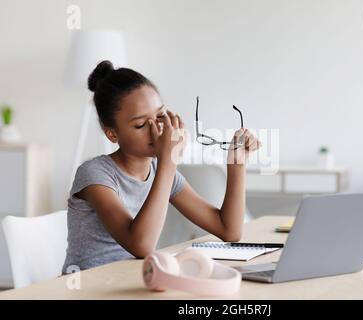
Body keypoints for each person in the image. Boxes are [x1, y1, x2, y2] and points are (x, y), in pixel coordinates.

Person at [62, 60, 260, 273]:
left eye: (159, 116)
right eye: (140, 125)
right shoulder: (95, 174)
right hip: (89, 289)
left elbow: (229, 230)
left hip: (130, 283)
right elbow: (141, 246)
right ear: (112, 134)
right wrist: (168, 161)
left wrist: (236, 164)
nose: (157, 128)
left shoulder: (162, 171)